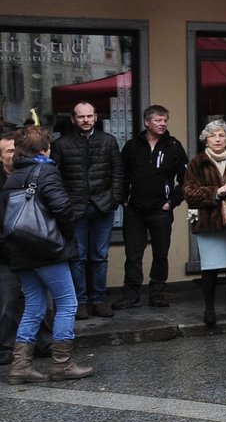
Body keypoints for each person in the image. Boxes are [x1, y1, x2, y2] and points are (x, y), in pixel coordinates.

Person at [5, 125, 90, 382]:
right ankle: (62, 364)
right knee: (68, 302)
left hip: (20, 250)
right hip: (46, 249)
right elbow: (62, 209)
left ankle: (20, 366)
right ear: (45, 147)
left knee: (34, 304)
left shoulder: (12, 176)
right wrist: (65, 238)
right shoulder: (46, 170)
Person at [54, 100, 124, 318]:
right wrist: (65, 204)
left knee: (100, 256)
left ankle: (99, 300)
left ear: (96, 117)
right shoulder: (61, 144)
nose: (86, 120)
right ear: (73, 119)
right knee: (78, 257)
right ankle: (81, 301)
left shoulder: (108, 141)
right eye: (81, 116)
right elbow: (55, 178)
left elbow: (118, 173)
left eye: (89, 116)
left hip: (103, 206)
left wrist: (113, 198)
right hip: (75, 208)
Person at [113, 104, 187, 309]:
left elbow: (185, 178)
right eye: (158, 120)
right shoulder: (131, 146)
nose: (163, 123)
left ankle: (157, 294)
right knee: (133, 255)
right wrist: (124, 200)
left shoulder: (173, 146)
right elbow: (121, 174)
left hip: (161, 210)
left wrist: (172, 202)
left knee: (161, 254)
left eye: (165, 120)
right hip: (134, 210)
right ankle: (131, 294)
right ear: (147, 122)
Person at [183, 120, 226, 327]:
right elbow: (189, 192)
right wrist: (216, 192)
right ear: (206, 139)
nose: (218, 139)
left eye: (221, 135)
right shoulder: (197, 162)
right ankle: (209, 309)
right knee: (210, 268)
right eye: (213, 136)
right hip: (208, 223)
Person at [0, 129, 25, 364]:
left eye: (17, 150)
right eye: (9, 151)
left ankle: (45, 343)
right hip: (5, 253)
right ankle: (6, 348)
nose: (14, 155)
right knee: (7, 303)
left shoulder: (27, 176)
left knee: (42, 302)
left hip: (31, 250)